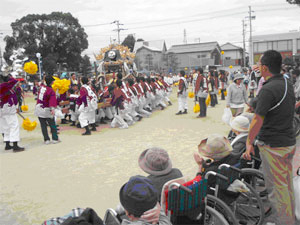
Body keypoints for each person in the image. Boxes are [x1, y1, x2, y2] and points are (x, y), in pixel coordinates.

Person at [243, 50, 296, 225]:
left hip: (274, 146)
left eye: (259, 64)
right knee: (285, 186)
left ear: (264, 67)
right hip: (287, 143)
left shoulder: (268, 89)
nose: (257, 67)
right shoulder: (287, 82)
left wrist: (249, 142)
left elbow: (257, 120)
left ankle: (285, 222)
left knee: (276, 190)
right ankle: (288, 219)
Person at [0, 75, 25, 152]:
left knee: (5, 127)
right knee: (14, 126)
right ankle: (15, 145)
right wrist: (8, 77)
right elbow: (14, 81)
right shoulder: (4, 86)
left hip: (3, 109)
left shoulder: (6, 87)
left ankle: (7, 144)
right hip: (8, 109)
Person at [34, 75, 60, 144]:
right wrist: (52, 109)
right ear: (51, 82)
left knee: (43, 125)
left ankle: (46, 139)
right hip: (47, 109)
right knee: (52, 124)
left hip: (39, 108)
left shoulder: (41, 87)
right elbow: (52, 101)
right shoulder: (51, 91)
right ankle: (55, 138)